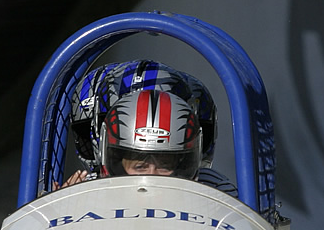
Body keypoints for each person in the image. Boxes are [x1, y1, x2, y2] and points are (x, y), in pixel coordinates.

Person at [61, 60, 236, 194]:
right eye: (140, 165)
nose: (152, 175)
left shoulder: (215, 189)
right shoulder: (86, 188)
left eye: (165, 164)